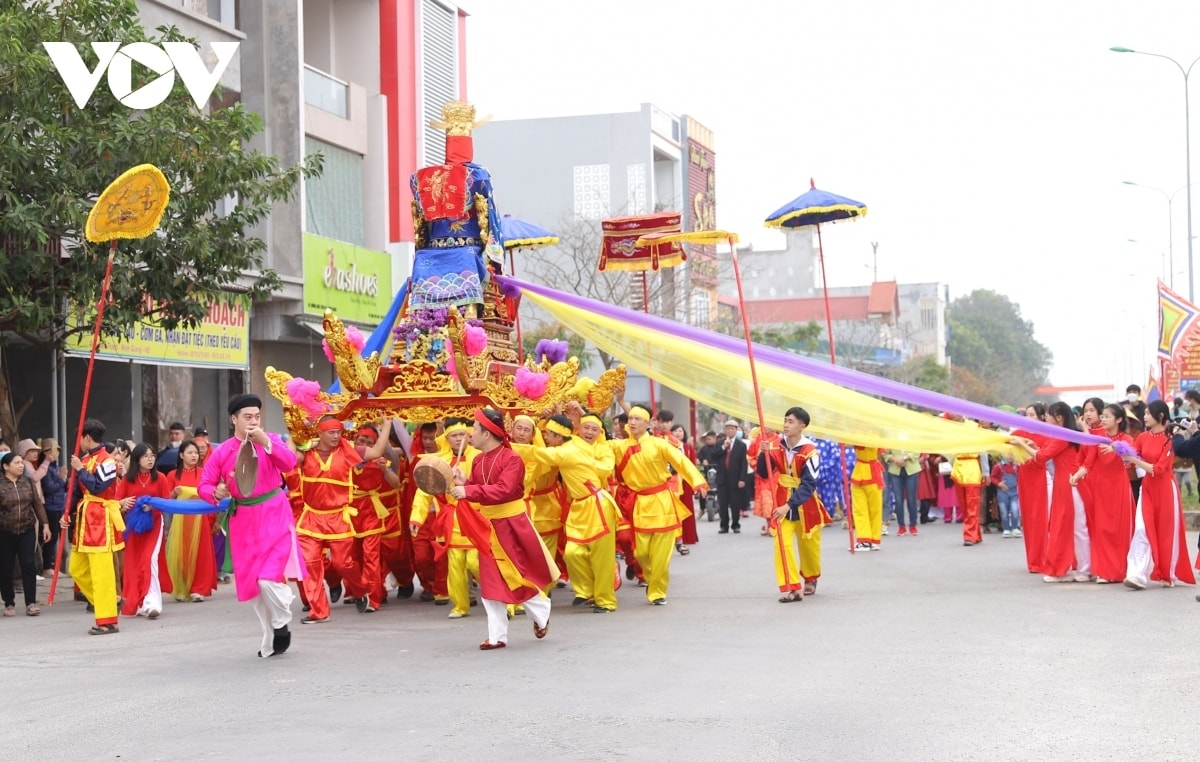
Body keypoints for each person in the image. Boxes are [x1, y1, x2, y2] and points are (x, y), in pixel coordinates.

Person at [198, 393, 305, 658]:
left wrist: (265, 441)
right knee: (254, 586)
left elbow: (290, 462)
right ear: (234, 419)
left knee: (268, 578)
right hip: (243, 522)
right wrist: (215, 492)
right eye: (247, 417)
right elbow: (204, 485)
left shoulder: (271, 441)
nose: (253, 422)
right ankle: (271, 637)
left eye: (257, 416)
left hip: (274, 514)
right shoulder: (223, 452)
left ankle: (280, 622)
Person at [448, 408, 556, 649]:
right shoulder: (478, 460)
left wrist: (468, 490)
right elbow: (478, 488)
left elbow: (503, 490)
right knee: (491, 581)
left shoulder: (512, 459)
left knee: (516, 575)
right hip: (488, 525)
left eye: (475, 429)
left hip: (510, 524)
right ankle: (497, 636)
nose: (471, 433)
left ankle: (541, 609)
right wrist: (463, 482)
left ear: (486, 434)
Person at [513, 414, 618, 613]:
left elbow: (536, 453)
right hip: (580, 506)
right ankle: (587, 591)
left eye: (548, 434)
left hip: (598, 505)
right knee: (572, 553)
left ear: (558, 436)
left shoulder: (566, 452)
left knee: (601, 557)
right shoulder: (575, 443)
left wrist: (504, 447)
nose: (545, 438)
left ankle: (606, 601)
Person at [609, 406, 707, 605]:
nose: (632, 422)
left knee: (661, 555)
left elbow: (681, 461)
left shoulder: (659, 444)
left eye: (637, 419)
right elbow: (593, 445)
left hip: (662, 503)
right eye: (630, 418)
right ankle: (650, 577)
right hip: (639, 504)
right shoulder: (618, 447)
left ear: (647, 423)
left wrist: (698, 482)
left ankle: (657, 591)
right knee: (641, 552)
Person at [293, 415, 383, 621]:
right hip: (311, 518)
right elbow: (289, 458)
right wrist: (294, 431)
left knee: (343, 564)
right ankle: (319, 612)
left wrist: (386, 425)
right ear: (320, 433)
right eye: (331, 433)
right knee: (310, 564)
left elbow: (377, 452)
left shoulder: (347, 451)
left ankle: (360, 590)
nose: (336, 436)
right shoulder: (306, 453)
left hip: (338, 517)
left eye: (338, 432)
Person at [757, 407, 831, 600]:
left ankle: (811, 577)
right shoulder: (775, 446)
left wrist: (789, 505)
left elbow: (809, 484)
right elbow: (763, 473)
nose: (786, 425)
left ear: (802, 426)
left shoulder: (811, 451)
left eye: (791, 422)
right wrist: (763, 454)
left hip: (806, 503)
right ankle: (793, 588)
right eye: (785, 421)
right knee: (782, 543)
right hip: (782, 499)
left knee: (809, 546)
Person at [1122, 400, 1196, 589]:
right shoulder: (1143, 437)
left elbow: (1159, 469)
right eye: (1145, 413)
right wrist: (1124, 456)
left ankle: (1167, 573)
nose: (1144, 416)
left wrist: (1133, 460)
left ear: (1160, 416)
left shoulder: (1170, 439)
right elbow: (1134, 457)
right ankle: (1136, 575)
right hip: (1147, 488)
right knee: (1141, 528)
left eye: (1148, 413)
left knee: (1166, 533)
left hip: (1165, 490)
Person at [67, 419, 123, 635]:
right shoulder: (83, 460)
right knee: (76, 569)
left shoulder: (108, 461)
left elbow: (97, 487)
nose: (78, 443)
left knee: (102, 574)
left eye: (80, 438)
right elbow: (76, 492)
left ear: (87, 437)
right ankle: (111, 600)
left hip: (100, 522)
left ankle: (108, 621)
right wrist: (66, 513)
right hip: (84, 522)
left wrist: (80, 470)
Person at [1071, 403, 1135, 583]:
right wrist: (1077, 475)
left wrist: (1117, 448)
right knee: (1102, 530)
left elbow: (1131, 460)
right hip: (1101, 490)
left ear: (1119, 419)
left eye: (1107, 416)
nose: (1103, 419)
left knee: (1119, 530)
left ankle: (1120, 571)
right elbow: (1088, 463)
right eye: (1103, 416)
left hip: (1119, 489)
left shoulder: (1126, 439)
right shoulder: (1098, 439)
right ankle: (1105, 572)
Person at [1036, 402, 1091, 583]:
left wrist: (1022, 445)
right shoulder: (1063, 435)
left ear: (1059, 417)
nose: (1046, 418)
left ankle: (1083, 569)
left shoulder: (1062, 436)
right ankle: (1072, 568)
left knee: (1075, 527)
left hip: (1071, 483)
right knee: (1066, 527)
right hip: (1065, 482)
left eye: (1048, 414)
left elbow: (1042, 457)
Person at [117, 443, 171, 618]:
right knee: (134, 563)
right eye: (146, 456)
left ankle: (152, 603)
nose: (150, 459)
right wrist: (123, 504)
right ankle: (139, 602)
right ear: (137, 459)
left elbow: (167, 502)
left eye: (152, 455)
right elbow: (116, 502)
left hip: (154, 524)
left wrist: (153, 506)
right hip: (133, 527)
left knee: (150, 559)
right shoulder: (127, 480)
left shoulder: (160, 478)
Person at [166, 440, 218, 602]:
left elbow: (212, 494)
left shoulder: (204, 473)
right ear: (181, 455)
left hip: (200, 519)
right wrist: (174, 493)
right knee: (181, 554)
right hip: (181, 521)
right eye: (190, 453)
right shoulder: (172, 475)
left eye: (196, 452)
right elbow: (166, 499)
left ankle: (198, 588)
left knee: (201, 554)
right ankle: (183, 587)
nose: (194, 455)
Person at [0, 451, 51, 617]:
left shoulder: (27, 482)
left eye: (21, 462)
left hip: (26, 530)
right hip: (5, 532)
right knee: (5, 567)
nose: (21, 465)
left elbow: (37, 504)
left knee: (28, 565)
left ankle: (31, 602)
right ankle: (9, 602)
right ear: (5, 466)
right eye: (16, 463)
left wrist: (45, 524)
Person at [1013, 403, 1050, 573]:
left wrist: (1025, 445)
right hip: (1025, 479)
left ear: (1042, 417)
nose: (1029, 418)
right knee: (1029, 520)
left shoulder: (1049, 434)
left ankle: (1045, 559)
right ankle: (1033, 561)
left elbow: (1044, 456)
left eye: (1032, 414)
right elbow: (1005, 444)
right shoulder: (1020, 433)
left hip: (1042, 479)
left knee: (1041, 519)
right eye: (1027, 414)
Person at [668, 424, 699, 554]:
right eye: (675, 431)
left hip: (685, 481)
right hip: (671, 481)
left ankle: (688, 536)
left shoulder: (687, 447)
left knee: (687, 508)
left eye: (680, 431)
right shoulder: (667, 446)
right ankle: (674, 538)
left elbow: (692, 465)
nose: (678, 433)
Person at [38, 438, 66, 575]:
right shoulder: (46, 468)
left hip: (59, 505)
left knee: (57, 537)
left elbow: (62, 487)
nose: (56, 453)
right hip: (51, 506)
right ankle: (47, 567)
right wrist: (61, 479)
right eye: (54, 450)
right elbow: (49, 488)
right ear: (46, 452)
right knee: (51, 537)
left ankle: (52, 566)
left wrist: (64, 480)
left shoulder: (55, 466)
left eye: (58, 451)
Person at [714, 420, 747, 534]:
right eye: (728, 428)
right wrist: (724, 447)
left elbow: (743, 463)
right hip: (722, 478)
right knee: (722, 503)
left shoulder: (741, 445)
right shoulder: (720, 443)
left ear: (736, 430)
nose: (730, 430)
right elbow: (714, 455)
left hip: (735, 478)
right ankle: (724, 526)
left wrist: (742, 479)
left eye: (732, 428)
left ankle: (736, 524)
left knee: (735, 503)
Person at [850, 446, 884, 550]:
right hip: (862, 472)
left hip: (870, 473)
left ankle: (871, 540)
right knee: (862, 509)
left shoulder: (871, 438)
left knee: (873, 510)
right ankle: (866, 539)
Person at [884, 449, 921, 536]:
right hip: (895, 470)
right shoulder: (891, 440)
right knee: (898, 500)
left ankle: (913, 525)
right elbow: (885, 454)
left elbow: (917, 451)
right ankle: (901, 526)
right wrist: (895, 459)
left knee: (911, 499)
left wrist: (904, 458)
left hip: (911, 470)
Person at [990, 456, 1021, 539]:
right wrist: (999, 484)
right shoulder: (998, 466)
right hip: (1002, 492)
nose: (1010, 457)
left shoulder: (1016, 466)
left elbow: (1020, 476)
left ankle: (1015, 528)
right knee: (1004, 512)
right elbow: (992, 477)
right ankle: (1006, 529)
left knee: (1015, 510)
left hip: (1014, 492)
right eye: (1008, 454)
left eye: (1012, 454)